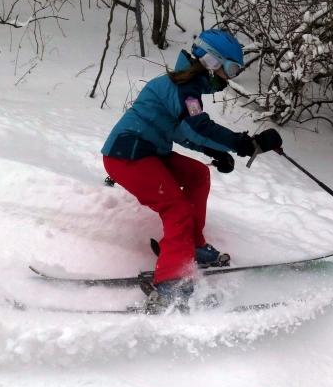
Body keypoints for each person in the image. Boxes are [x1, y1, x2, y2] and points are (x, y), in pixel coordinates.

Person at [101, 29, 282, 313]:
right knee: (177, 209)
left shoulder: (187, 90)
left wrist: (215, 151)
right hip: (129, 155)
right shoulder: (180, 88)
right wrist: (244, 143)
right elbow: (199, 126)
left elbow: (184, 131)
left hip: (149, 152)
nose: (230, 77)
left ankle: (193, 246)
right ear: (211, 63)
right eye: (231, 69)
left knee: (199, 175)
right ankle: (170, 286)